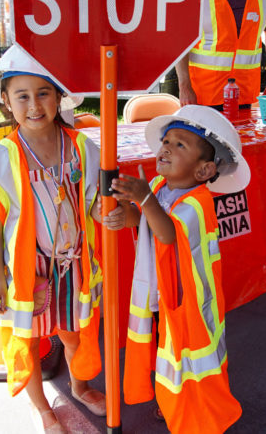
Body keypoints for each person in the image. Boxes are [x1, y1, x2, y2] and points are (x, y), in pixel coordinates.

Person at [0, 45, 105, 433]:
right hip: (26, 271)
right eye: (22, 96)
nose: (34, 105)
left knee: (73, 335)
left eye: (43, 93)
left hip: (73, 265)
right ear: (6, 102)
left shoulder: (81, 147)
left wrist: (110, 213)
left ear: (59, 97)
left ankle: (80, 386)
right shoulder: (0, 159)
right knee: (27, 345)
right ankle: (42, 409)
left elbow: (92, 203)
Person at [105, 105, 248, 433]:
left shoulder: (199, 203)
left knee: (191, 358)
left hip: (187, 304)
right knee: (164, 351)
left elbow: (168, 232)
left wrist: (144, 200)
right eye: (166, 141)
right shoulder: (157, 186)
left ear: (203, 170)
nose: (166, 147)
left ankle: (198, 409)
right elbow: (148, 227)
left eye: (180, 144)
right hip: (160, 295)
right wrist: (126, 214)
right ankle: (170, 395)